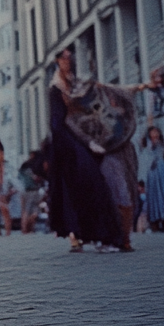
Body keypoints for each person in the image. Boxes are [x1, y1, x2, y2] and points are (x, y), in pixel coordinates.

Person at [46, 49, 121, 251]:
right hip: (66, 145)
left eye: (70, 58)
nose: (68, 61)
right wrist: (73, 144)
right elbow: (58, 122)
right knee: (74, 187)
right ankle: (78, 234)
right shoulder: (56, 89)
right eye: (64, 58)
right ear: (57, 62)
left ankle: (95, 234)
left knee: (91, 184)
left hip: (80, 140)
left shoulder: (75, 84)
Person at [141, 125, 164, 232]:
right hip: (153, 171)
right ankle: (155, 221)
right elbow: (149, 151)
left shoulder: (161, 143)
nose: (155, 134)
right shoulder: (149, 143)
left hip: (162, 169)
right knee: (154, 194)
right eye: (153, 132)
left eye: (157, 132)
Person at [18, 146, 47, 234]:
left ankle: (25, 229)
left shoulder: (24, 166)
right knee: (34, 210)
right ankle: (29, 228)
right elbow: (37, 178)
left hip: (24, 189)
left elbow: (19, 177)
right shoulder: (34, 166)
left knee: (26, 210)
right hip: (33, 190)